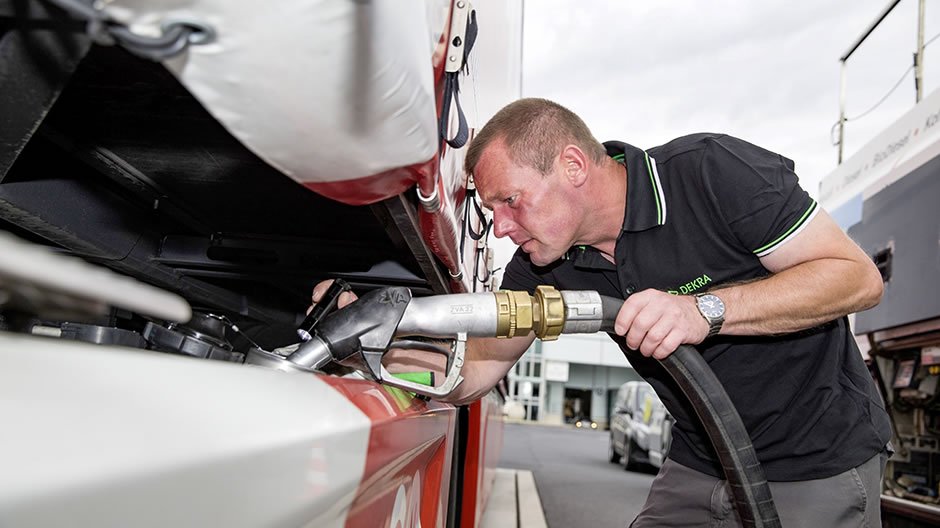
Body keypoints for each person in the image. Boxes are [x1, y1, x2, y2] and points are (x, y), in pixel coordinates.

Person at [312, 98, 893, 527]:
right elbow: (475, 372)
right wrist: (371, 343)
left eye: (510, 201)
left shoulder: (711, 174)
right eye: (493, 213)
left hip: (819, 462)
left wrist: (704, 309)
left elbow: (856, 277)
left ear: (571, 165)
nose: (505, 228)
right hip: (699, 461)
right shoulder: (543, 266)